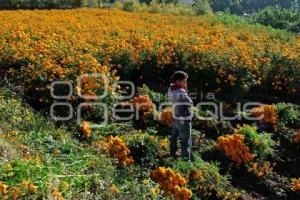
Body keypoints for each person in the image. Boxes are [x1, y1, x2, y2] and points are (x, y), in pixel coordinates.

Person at [167, 71, 193, 161]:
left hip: (175, 116)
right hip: (183, 118)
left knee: (174, 136)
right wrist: (185, 90)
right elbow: (190, 103)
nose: (185, 83)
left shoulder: (171, 88)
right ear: (178, 81)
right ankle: (186, 160)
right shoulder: (181, 92)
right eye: (184, 81)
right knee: (185, 140)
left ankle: (172, 153)